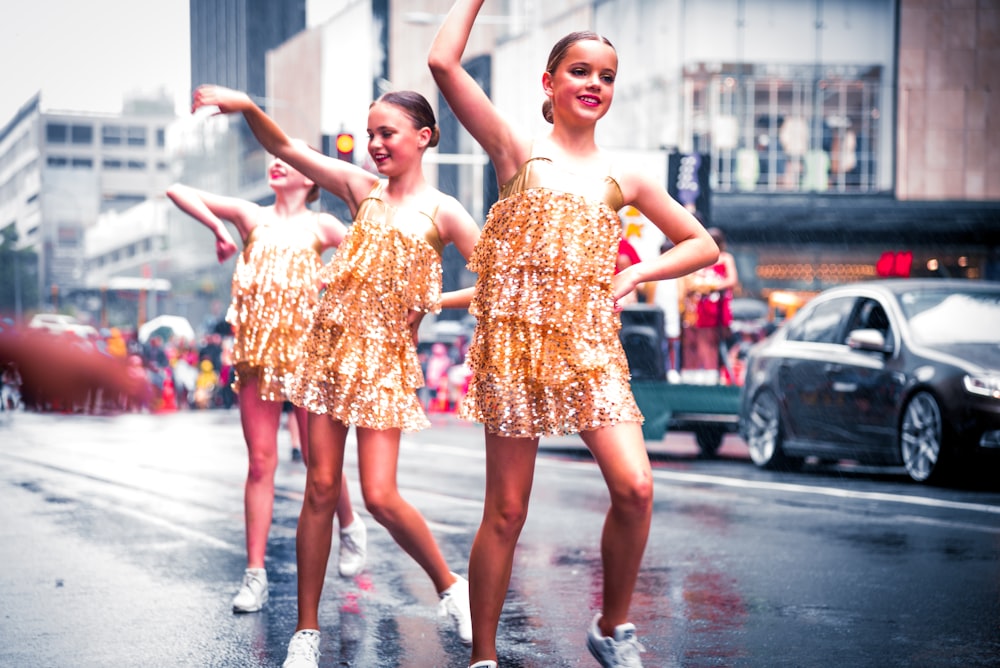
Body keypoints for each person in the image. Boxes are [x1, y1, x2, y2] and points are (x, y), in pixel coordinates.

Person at [429, 5, 720, 667]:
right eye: (581, 71)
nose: (595, 83)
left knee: (636, 487)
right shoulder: (515, 151)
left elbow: (700, 244)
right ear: (549, 81)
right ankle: (484, 656)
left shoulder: (629, 176)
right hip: (515, 348)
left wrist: (637, 272)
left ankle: (612, 626)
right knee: (505, 511)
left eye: (607, 76)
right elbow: (443, 63)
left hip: (592, 348)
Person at [191, 83, 482, 667]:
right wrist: (248, 107)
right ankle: (307, 632)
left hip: (384, 363)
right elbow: (288, 148)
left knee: (379, 495)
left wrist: (430, 301)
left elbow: (494, 283)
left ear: (423, 138)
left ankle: (452, 585)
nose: (374, 144)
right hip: (326, 352)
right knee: (320, 489)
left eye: (386, 134)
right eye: (370, 133)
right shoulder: (360, 188)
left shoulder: (445, 211)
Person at [166, 152, 368, 616]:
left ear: (310, 176)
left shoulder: (324, 226)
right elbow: (179, 191)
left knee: (322, 461)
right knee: (260, 463)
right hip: (256, 358)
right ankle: (254, 574)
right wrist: (216, 228)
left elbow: (369, 257)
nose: (277, 163)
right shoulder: (249, 216)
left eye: (288, 159)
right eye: (274, 158)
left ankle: (351, 524)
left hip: (310, 357)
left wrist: (336, 279)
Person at [684, 227, 739, 384]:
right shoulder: (700, 258)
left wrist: (711, 286)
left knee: (713, 339)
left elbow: (732, 280)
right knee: (698, 340)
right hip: (700, 305)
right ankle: (702, 372)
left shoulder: (726, 258)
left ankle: (713, 372)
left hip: (718, 304)